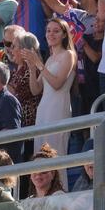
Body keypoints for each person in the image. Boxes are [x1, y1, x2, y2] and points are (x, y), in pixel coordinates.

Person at [27, 18, 75, 159]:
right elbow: (36, 90)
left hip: (58, 108)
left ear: (64, 34)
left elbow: (57, 84)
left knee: (55, 153)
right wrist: (31, 68)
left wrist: (38, 63)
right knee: (40, 154)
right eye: (48, 31)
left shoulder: (68, 55)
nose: (51, 34)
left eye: (56, 31)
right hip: (43, 109)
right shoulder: (49, 59)